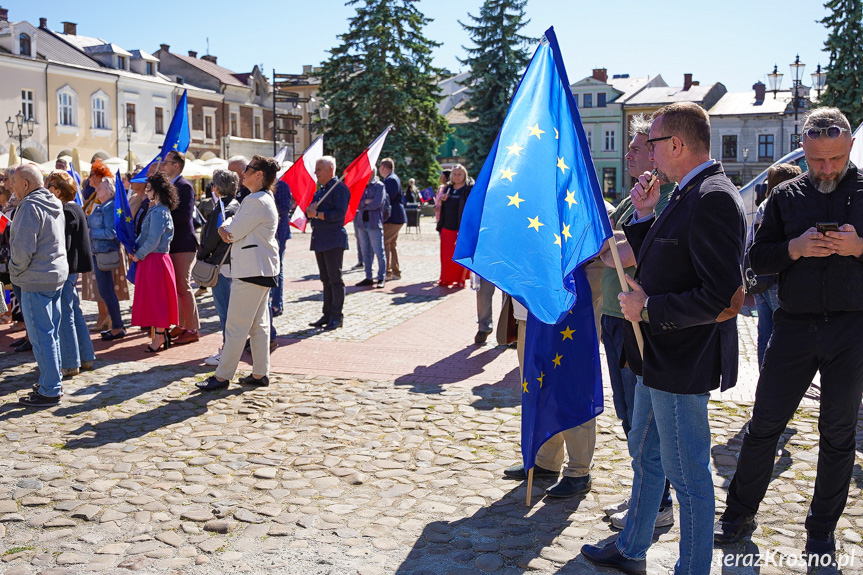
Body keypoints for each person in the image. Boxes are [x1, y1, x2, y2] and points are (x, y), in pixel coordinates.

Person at [581, 102, 746, 575]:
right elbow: (669, 257)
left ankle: (691, 568)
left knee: (689, 473)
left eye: (652, 144)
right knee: (647, 454)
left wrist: (649, 308)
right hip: (659, 355)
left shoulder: (713, 196)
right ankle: (632, 547)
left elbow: (723, 297)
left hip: (681, 359)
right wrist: (646, 214)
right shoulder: (685, 192)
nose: (648, 154)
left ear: (675, 144)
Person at [714, 108, 863, 562]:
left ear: (849, 148)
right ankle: (738, 516)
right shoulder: (786, 195)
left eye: (835, 159)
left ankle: (820, 532)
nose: (826, 169)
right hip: (794, 328)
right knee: (764, 427)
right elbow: (758, 258)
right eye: (816, 160)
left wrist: (860, 247)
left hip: (851, 329)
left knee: (838, 435)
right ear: (804, 151)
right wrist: (793, 250)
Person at [597, 114, 677, 530]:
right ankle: (644, 494)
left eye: (637, 147)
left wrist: (609, 249)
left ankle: (658, 503)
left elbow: (623, 252)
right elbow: (611, 244)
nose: (628, 153)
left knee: (644, 422)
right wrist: (610, 248)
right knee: (629, 417)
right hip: (615, 314)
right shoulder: (634, 198)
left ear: (657, 151)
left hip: (637, 320)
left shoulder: (664, 196)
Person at [198, 155, 280, 391]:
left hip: (252, 270)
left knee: (235, 326)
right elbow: (235, 228)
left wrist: (226, 227)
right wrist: (230, 226)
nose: (243, 173)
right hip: (261, 269)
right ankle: (260, 372)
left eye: (249, 169)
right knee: (258, 325)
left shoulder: (256, 200)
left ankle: (222, 376)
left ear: (259, 175)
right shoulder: (261, 198)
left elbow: (231, 233)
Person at [8, 165, 68, 407]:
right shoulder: (52, 202)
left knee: (41, 336)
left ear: (25, 184)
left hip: (36, 278)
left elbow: (23, 249)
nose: (11, 187)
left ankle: (50, 389)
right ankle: (51, 381)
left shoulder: (30, 206)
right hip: (54, 276)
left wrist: (14, 270)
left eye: (13, 182)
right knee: (50, 334)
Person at [747, 163, 802, 369]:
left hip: (759, 278)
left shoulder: (764, 205)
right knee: (782, 332)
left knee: (765, 332)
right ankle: (777, 376)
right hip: (776, 278)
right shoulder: (783, 206)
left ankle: (764, 376)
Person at [45, 171, 95, 378]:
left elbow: (63, 245)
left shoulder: (66, 210)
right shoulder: (73, 208)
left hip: (66, 269)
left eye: (50, 187)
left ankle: (70, 362)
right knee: (73, 311)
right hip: (71, 269)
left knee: (66, 314)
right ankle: (85, 357)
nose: (47, 190)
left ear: (58, 191)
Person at [130, 171, 179, 352]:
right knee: (155, 298)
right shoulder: (157, 209)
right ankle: (161, 334)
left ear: (156, 191)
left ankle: (159, 336)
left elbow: (153, 240)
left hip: (155, 260)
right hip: (153, 259)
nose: (146, 191)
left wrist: (139, 254)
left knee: (158, 299)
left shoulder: (160, 212)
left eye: (149, 189)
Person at [197, 169, 241, 366]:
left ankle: (227, 353)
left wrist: (202, 255)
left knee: (225, 312)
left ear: (216, 187)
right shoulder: (237, 204)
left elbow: (212, 239)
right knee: (231, 311)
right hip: (234, 262)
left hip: (222, 264)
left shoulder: (222, 208)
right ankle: (231, 349)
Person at [162, 150, 200, 345]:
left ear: (176, 165)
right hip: (174, 243)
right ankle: (183, 324)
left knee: (183, 287)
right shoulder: (172, 185)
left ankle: (192, 328)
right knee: (176, 287)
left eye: (167, 162)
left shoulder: (184, 186)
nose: (163, 165)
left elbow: (185, 216)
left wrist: (163, 212)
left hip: (183, 243)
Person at [307, 156, 349, 331]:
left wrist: (316, 214)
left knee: (335, 279)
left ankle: (336, 316)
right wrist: (311, 212)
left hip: (333, 239)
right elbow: (311, 210)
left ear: (330, 169)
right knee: (325, 279)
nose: (315, 172)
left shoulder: (339, 189)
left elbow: (339, 215)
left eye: (319, 169)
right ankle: (326, 314)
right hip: (320, 239)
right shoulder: (321, 191)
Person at [88, 176, 126, 341]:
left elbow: (112, 232)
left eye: (101, 188)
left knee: (106, 290)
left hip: (105, 253)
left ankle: (117, 326)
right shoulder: (101, 206)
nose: (97, 190)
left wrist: (91, 233)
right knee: (105, 290)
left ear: (110, 191)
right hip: (99, 252)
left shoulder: (109, 207)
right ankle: (117, 325)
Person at [436, 165, 471, 288]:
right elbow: (440, 205)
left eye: (459, 174)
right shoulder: (448, 188)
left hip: (461, 226)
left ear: (464, 175)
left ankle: (460, 280)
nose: (456, 177)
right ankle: (446, 278)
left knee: (459, 254)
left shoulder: (468, 189)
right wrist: (442, 199)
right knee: (446, 255)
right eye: (454, 174)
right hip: (447, 225)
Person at [354, 168, 387, 288]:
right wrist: (364, 203)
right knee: (365, 252)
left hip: (374, 223)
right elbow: (356, 202)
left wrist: (364, 204)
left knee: (379, 251)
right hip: (362, 223)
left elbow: (377, 203)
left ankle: (381, 277)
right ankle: (368, 277)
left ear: (373, 172)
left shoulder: (379, 186)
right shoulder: (362, 186)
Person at [380, 158, 404, 281]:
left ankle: (387, 272)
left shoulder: (391, 180)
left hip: (393, 217)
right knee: (391, 244)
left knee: (384, 243)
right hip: (395, 216)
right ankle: (395, 272)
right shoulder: (391, 178)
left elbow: (387, 198)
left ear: (383, 167)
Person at [272, 178, 292, 318]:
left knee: (277, 269)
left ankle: (277, 304)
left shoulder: (282, 186)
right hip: (266, 233)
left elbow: (285, 208)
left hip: (279, 232)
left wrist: (267, 209)